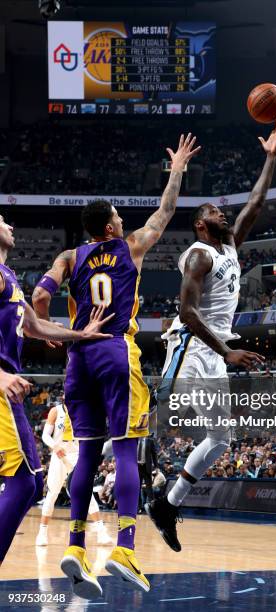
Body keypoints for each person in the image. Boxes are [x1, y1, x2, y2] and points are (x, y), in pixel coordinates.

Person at [31, 133, 200, 599]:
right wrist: (178, 169)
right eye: (118, 218)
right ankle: (124, 547)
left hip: (77, 355)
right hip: (115, 351)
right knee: (125, 450)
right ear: (109, 228)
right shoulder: (130, 247)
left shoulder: (68, 256)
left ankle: (76, 546)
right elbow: (164, 215)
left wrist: (53, 334)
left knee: (87, 454)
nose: (124, 221)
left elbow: (40, 296)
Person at [145, 121, 276, 552]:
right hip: (192, 344)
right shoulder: (200, 256)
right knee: (161, 412)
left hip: (216, 351)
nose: (222, 213)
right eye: (213, 212)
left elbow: (255, 205)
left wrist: (271, 158)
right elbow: (187, 313)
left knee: (221, 439)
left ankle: (167, 503)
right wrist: (228, 351)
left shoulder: (230, 248)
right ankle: (141, 458)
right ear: (201, 226)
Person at [0, 214, 111, 567]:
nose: (11, 226)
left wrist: (80, 333)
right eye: (3, 221)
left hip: (8, 388)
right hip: (3, 388)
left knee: (26, 484)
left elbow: (33, 325)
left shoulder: (10, 278)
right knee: (26, 484)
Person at [36, 401, 112, 546]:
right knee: (52, 494)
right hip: (58, 456)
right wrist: (54, 445)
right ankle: (42, 532)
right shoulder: (56, 411)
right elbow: (45, 435)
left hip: (77, 455)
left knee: (86, 492)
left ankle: (101, 532)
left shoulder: (82, 410)